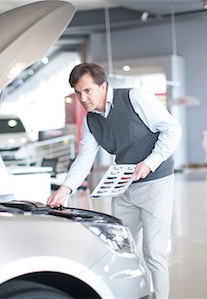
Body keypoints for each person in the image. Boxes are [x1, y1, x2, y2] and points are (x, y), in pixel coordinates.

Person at [47, 63, 181, 299]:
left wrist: (150, 162)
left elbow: (172, 130)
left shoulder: (134, 98)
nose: (83, 98)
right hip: (123, 186)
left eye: (87, 90)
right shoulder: (90, 121)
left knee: (154, 251)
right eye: (78, 92)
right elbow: (85, 157)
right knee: (120, 249)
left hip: (156, 184)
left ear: (103, 85)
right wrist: (65, 188)